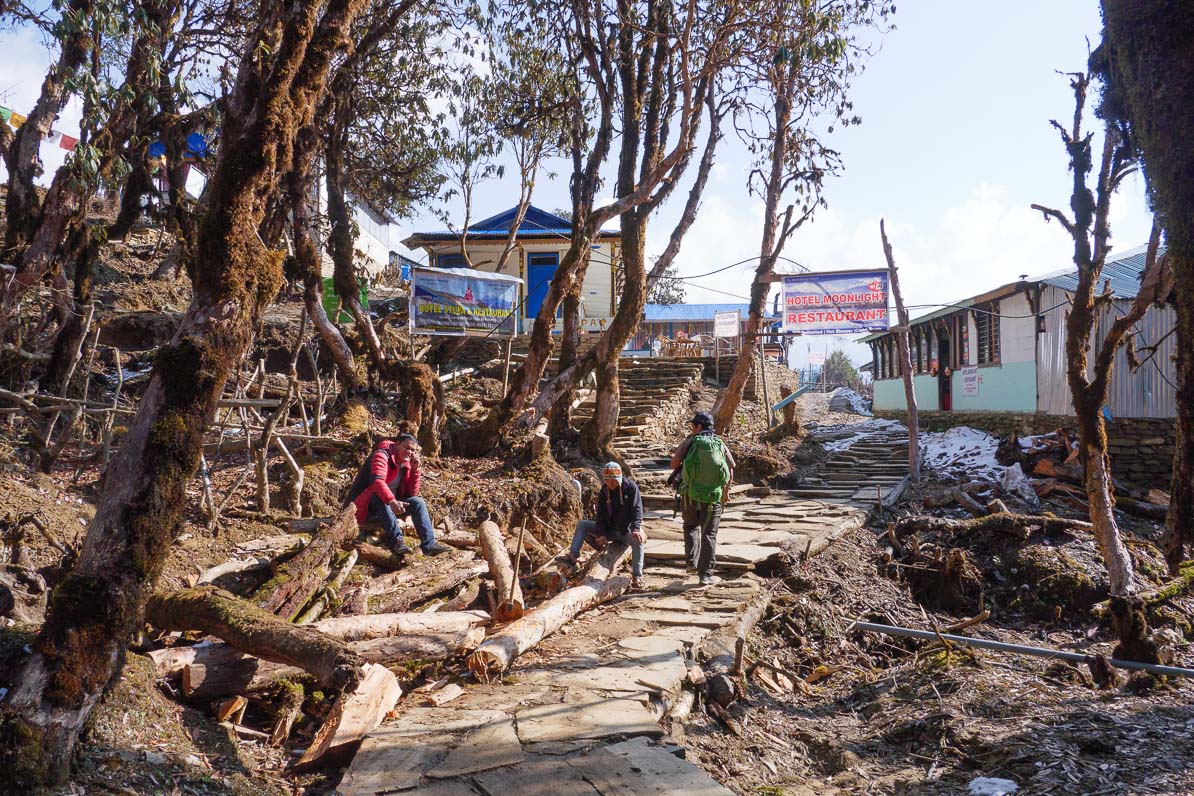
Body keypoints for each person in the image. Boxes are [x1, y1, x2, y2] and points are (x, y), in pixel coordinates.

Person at [347, 434, 451, 556]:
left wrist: (415, 471)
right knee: (379, 497)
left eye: (413, 450)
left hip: (388, 505)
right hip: (363, 506)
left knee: (418, 502)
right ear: (397, 445)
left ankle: (429, 544)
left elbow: (411, 493)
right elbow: (377, 482)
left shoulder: (406, 463)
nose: (410, 452)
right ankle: (396, 541)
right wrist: (392, 501)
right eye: (406, 448)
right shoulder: (382, 455)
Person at [671, 411, 734, 586]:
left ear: (699, 427)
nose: (692, 428)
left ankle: (692, 562)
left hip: (690, 495)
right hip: (713, 498)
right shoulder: (719, 444)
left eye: (693, 425)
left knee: (691, 526)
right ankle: (705, 575)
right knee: (709, 535)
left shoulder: (691, 442)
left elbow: (674, 464)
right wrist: (726, 492)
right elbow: (731, 467)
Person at [562, 462, 646, 590]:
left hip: (625, 531)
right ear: (605, 479)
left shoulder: (631, 488)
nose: (612, 484)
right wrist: (601, 534)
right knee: (583, 525)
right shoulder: (604, 491)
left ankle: (637, 576)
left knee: (638, 540)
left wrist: (635, 529)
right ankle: (573, 555)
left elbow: (637, 510)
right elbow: (600, 515)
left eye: (614, 481)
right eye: (609, 481)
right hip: (609, 530)